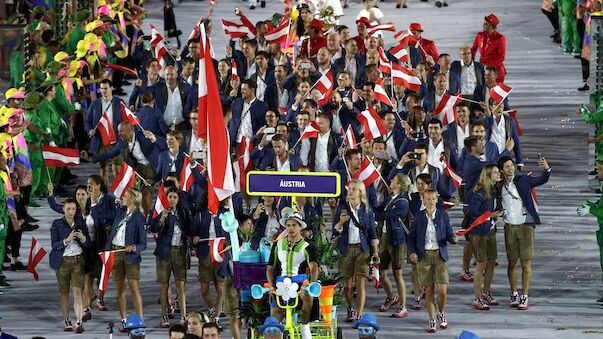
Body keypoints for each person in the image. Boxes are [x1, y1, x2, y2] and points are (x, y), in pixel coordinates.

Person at [498, 155, 551, 310]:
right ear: (501, 170)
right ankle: (514, 293)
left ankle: (525, 296)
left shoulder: (523, 180)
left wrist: (547, 169)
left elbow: (542, 180)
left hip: (526, 226)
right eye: (507, 166)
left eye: (511, 165)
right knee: (512, 262)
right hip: (509, 227)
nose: (511, 168)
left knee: (526, 263)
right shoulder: (498, 185)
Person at [408, 189, 458, 333]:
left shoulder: (443, 216)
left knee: (442, 290)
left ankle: (441, 313)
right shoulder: (418, 217)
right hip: (424, 257)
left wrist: (453, 239)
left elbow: (449, 234)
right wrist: (412, 252)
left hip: (440, 256)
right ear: (423, 200)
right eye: (427, 199)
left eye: (433, 199)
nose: (430, 201)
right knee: (429, 290)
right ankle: (431, 319)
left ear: (437, 200)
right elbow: (411, 238)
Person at [266, 212, 318, 339]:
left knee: (307, 297)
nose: (291, 228)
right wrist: (271, 286)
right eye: (288, 225)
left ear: (300, 227)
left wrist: (310, 284)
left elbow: (314, 268)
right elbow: (270, 268)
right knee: (275, 312)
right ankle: (275, 332)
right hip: (280, 283)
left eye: (294, 225)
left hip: (300, 282)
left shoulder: (307, 247)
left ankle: (304, 326)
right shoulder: (277, 244)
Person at [334, 179, 379, 322]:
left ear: (360, 192)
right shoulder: (342, 210)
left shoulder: (367, 210)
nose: (350, 192)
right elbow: (335, 234)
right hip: (345, 249)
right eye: (349, 189)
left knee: (360, 285)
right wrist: (340, 223)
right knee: (347, 286)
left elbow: (373, 233)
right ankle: (350, 307)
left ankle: (359, 315)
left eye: (354, 189)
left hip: (362, 250)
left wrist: (376, 252)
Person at [105, 188, 147, 332]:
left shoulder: (140, 218)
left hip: (131, 256)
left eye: (126, 196)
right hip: (116, 252)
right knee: (120, 288)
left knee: (134, 288)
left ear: (133, 199)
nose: (123, 197)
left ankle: (140, 319)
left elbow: (143, 244)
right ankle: (124, 320)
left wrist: (134, 247)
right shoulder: (121, 212)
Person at [151, 186, 191, 327]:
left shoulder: (184, 213)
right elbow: (153, 228)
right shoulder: (162, 212)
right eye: (170, 197)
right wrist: (162, 218)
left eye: (175, 197)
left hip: (179, 251)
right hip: (164, 252)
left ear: (178, 199)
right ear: (166, 198)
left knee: (180, 284)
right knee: (164, 285)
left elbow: (190, 229)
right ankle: (164, 316)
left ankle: (184, 316)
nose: (172, 200)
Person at [49, 198, 91, 333]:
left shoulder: (80, 222)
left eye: (73, 209)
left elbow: (88, 242)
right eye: (68, 209)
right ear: (63, 209)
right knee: (64, 292)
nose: (71, 212)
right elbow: (54, 245)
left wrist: (83, 238)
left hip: (78, 260)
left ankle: (79, 322)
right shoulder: (56, 224)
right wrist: (66, 240)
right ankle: (67, 321)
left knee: (78, 292)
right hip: (62, 262)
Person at [466, 165, 503, 311]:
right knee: (481, 264)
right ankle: (477, 298)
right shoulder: (480, 192)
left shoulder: (494, 190)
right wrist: (490, 215)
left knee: (491, 262)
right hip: (479, 233)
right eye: (495, 172)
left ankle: (486, 292)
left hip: (491, 231)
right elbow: (472, 211)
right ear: (488, 175)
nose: (498, 173)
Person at [375, 173, 412, 318]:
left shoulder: (403, 201)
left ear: (400, 184)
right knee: (382, 272)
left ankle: (403, 307)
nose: (390, 180)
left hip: (397, 240)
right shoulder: (390, 198)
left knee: (398, 274)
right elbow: (379, 209)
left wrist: (375, 214)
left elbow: (386, 214)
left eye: (394, 180)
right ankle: (392, 297)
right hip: (385, 237)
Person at [470, 14, 507, 83]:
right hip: (483, 71)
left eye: (485, 24)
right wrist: (470, 62)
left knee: (496, 92)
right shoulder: (479, 35)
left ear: (491, 26)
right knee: (483, 92)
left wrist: (488, 64)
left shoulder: (500, 38)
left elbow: (501, 57)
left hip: (496, 72)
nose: (483, 25)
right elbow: (473, 50)